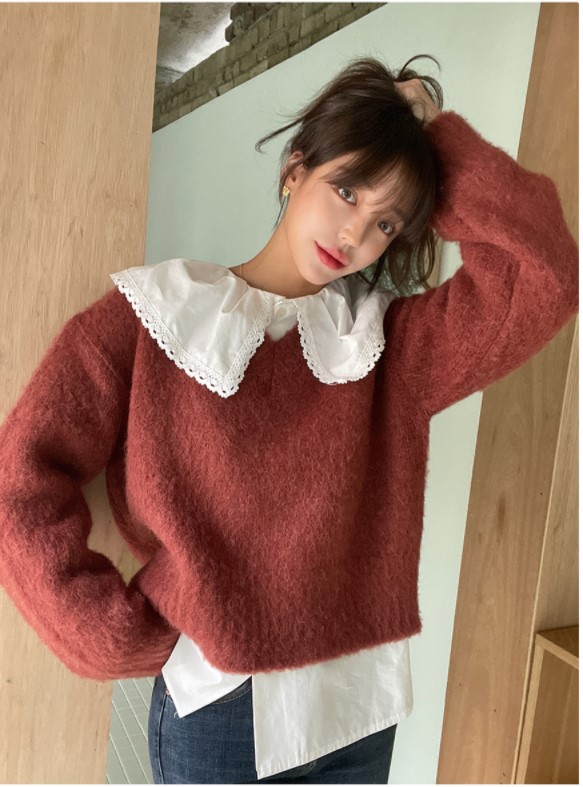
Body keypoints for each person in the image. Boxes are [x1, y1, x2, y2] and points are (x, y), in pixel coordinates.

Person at [0, 54, 578, 785]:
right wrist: (102, 632)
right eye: (346, 189)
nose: (354, 234)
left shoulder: (385, 348)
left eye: (385, 222)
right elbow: (21, 481)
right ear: (294, 169)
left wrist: (431, 132)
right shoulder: (152, 318)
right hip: (221, 713)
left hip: (359, 709)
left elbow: (545, 275)